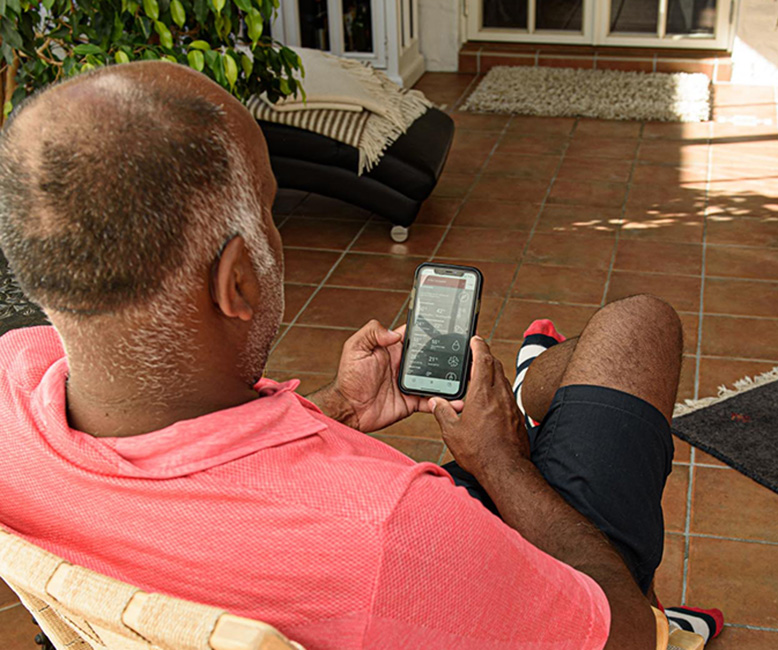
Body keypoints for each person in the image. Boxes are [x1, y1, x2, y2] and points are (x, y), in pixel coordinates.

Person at [0, 61, 720, 649]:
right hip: (467, 583)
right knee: (639, 326)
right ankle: (526, 397)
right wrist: (498, 463)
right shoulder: (388, 533)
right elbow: (622, 637)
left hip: (328, 583)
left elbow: (196, 477)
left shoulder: (12, 383)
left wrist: (339, 411)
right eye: (273, 213)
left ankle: (528, 388)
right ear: (239, 281)